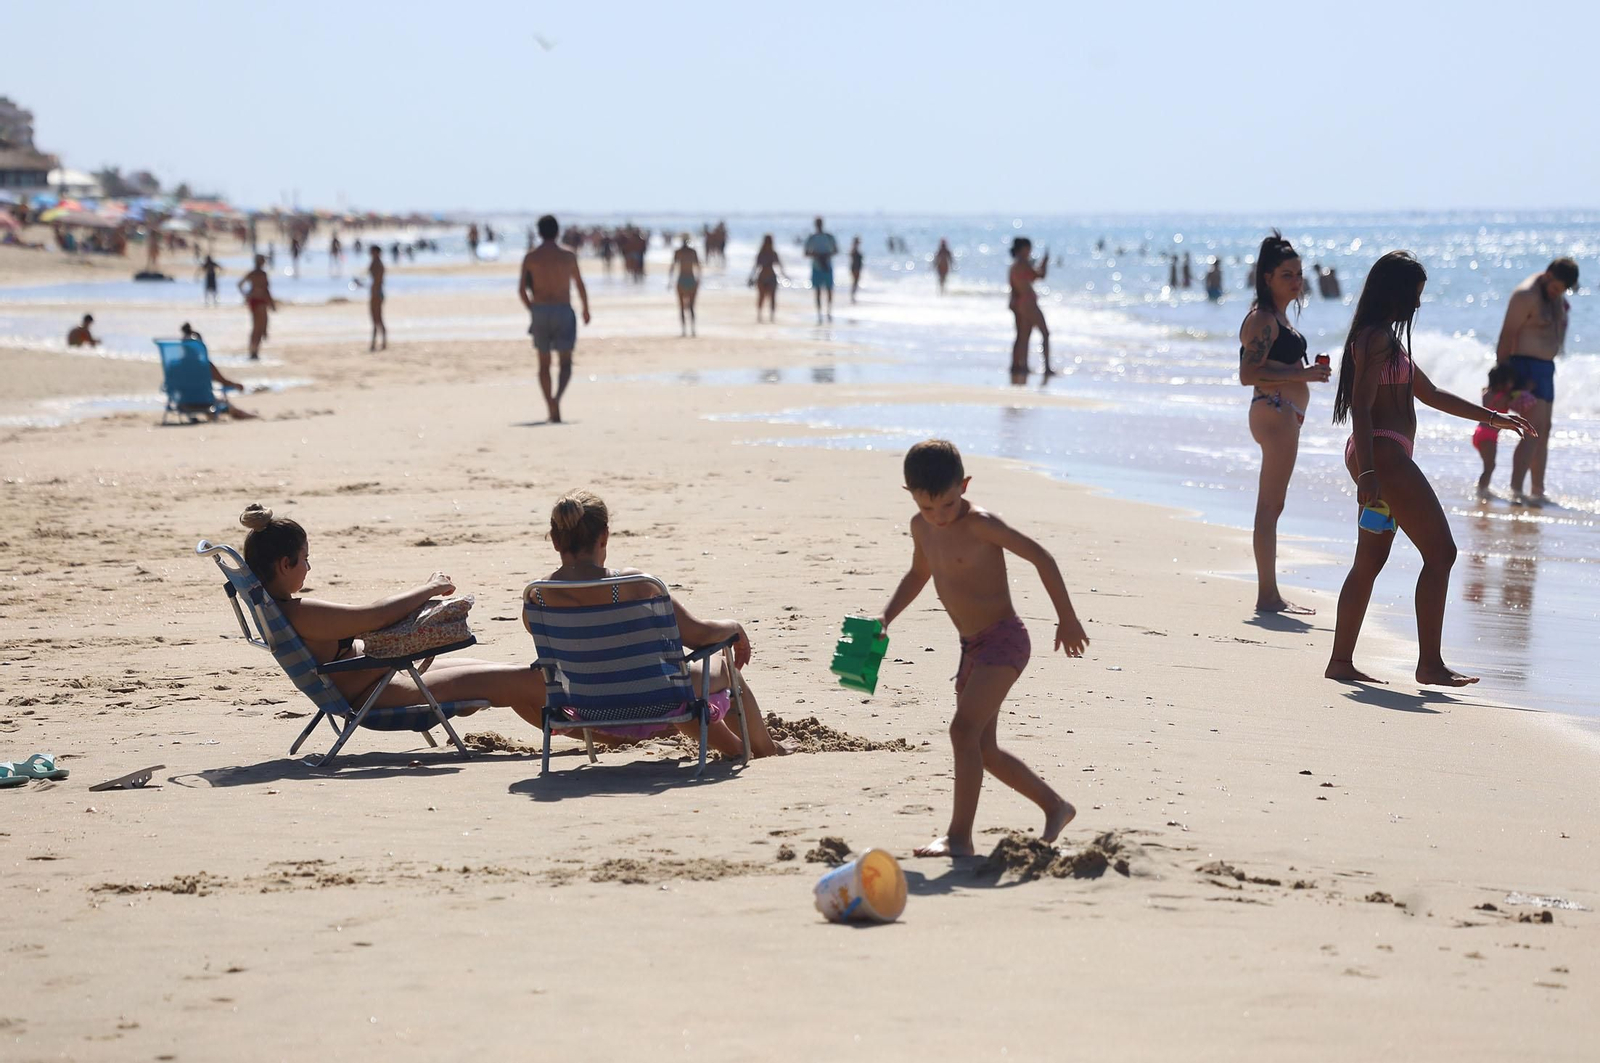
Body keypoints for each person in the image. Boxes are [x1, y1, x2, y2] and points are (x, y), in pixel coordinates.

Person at [1326, 252, 1534, 687]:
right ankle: (1430, 665)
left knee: (1370, 558)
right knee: (1442, 553)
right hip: (1382, 458)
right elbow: (1362, 409)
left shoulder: (1381, 338)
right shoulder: (1377, 339)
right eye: (1414, 295)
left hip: (1379, 458)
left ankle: (1341, 662)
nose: (1418, 305)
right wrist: (1368, 473)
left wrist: (1495, 418)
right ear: (1396, 292)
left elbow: (1433, 394)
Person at [876, 440, 1088, 857]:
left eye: (949, 505)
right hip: (970, 648)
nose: (938, 517)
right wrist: (885, 617)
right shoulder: (921, 528)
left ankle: (959, 838)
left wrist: (1067, 617)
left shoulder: (981, 524)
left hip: (1005, 641)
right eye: (927, 508)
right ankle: (1056, 806)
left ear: (965, 485)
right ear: (910, 494)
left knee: (962, 731)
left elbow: (1041, 557)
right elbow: (919, 573)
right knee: (983, 749)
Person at [234, 505, 545, 723]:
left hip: (384, 675)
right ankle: (590, 730)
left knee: (511, 674)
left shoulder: (280, 611)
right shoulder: (300, 614)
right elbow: (374, 617)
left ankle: (573, 732)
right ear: (285, 564)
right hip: (383, 692)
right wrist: (430, 589)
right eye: (305, 559)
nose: (309, 567)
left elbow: (372, 618)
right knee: (524, 680)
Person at [542, 490, 788, 758]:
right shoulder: (634, 585)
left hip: (586, 705)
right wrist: (734, 627)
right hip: (657, 698)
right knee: (725, 667)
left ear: (555, 541)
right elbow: (699, 635)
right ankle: (766, 749)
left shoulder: (539, 596)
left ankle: (738, 748)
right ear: (605, 536)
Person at [1238, 231, 1330, 615]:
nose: (1297, 281)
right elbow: (1247, 373)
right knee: (1269, 505)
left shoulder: (1277, 317)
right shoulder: (1262, 318)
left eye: (1298, 274)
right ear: (1267, 278)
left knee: (1274, 504)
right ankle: (1267, 595)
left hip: (1281, 411)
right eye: (1287, 275)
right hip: (1273, 410)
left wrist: (1304, 374)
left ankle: (1270, 592)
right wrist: (1303, 376)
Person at [1496, 258, 1579, 506]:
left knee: (1545, 430)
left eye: (1562, 291)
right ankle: (1516, 490)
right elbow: (1507, 334)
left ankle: (1537, 490)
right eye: (1556, 288)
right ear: (1547, 275)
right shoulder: (1525, 295)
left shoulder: (1555, 297)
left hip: (1545, 368)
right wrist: (1502, 376)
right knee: (1532, 429)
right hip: (1524, 367)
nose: (1558, 293)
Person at [518, 214, 591, 423]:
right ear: (557, 232)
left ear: (539, 232)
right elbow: (579, 284)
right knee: (566, 362)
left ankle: (550, 404)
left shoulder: (531, 257)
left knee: (543, 363)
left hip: (540, 310)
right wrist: (586, 308)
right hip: (563, 309)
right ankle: (557, 398)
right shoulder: (568, 256)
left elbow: (522, 290)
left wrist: (532, 309)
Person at [1472, 363, 1534, 501]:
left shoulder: (1486, 393)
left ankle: (1482, 489)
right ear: (1503, 382)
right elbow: (1519, 406)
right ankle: (1481, 492)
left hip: (1479, 432)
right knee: (1490, 466)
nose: (1512, 384)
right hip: (1489, 435)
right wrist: (1527, 390)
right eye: (1510, 381)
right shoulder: (1505, 398)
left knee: (1488, 465)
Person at [180, 323, 257, 419]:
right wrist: (237, 385)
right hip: (204, 403)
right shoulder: (204, 365)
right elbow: (224, 382)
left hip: (182, 403)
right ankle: (247, 415)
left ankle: (244, 413)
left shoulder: (175, 366)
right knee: (224, 403)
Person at [1008, 238, 1051, 376]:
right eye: (1028, 248)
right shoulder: (1023, 264)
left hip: (1020, 303)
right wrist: (1044, 263)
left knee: (1023, 336)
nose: (1030, 251)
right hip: (1028, 302)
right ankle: (1047, 367)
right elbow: (1039, 275)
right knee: (1045, 333)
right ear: (1023, 249)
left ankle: (1021, 365)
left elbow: (1015, 288)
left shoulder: (1014, 267)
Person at [238, 254, 276, 360]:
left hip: (253, 301)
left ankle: (253, 350)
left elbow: (240, 284)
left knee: (256, 326)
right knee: (260, 327)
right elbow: (266, 290)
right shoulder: (262, 274)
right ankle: (254, 351)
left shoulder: (252, 274)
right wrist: (272, 304)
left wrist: (247, 295)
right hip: (261, 302)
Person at [803, 217, 838, 323]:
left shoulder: (829, 237)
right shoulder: (812, 238)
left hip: (827, 267)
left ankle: (829, 311)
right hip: (816, 267)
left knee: (829, 290)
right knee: (817, 291)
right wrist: (816, 255)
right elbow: (806, 253)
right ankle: (819, 313)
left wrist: (826, 255)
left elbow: (836, 250)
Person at [667, 234, 701, 338]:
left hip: (682, 279)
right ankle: (692, 329)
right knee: (691, 307)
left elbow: (672, 267)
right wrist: (699, 280)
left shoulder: (678, 252)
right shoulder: (692, 252)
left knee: (682, 307)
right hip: (690, 279)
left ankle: (684, 330)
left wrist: (670, 280)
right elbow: (698, 267)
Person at [750, 234, 787, 322]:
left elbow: (780, 266)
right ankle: (760, 315)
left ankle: (771, 316)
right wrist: (751, 277)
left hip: (771, 277)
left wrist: (785, 276)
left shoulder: (773, 254)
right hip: (763, 277)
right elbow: (755, 267)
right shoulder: (762, 254)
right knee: (761, 297)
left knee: (772, 298)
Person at [367, 245, 387, 351]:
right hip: (376, 293)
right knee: (376, 319)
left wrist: (374, 293)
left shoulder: (378, 264)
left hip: (377, 294)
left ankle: (379, 342)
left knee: (377, 318)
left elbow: (377, 281)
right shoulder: (376, 263)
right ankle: (377, 342)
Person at [848, 236, 864, 303]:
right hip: (855, 268)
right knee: (855, 282)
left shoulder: (854, 249)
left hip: (856, 267)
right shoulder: (854, 249)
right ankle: (853, 296)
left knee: (855, 283)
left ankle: (853, 296)